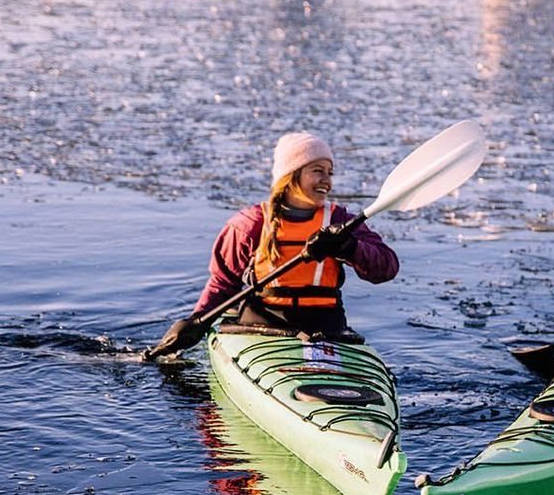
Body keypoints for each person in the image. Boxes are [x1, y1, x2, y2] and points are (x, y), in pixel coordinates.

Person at [142, 132, 399, 360]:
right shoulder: (250, 224)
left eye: (330, 173)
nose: (327, 181)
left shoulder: (340, 222)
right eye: (318, 171)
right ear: (291, 176)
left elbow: (386, 268)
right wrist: (196, 321)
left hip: (326, 328)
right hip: (260, 327)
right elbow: (223, 284)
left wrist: (348, 247)